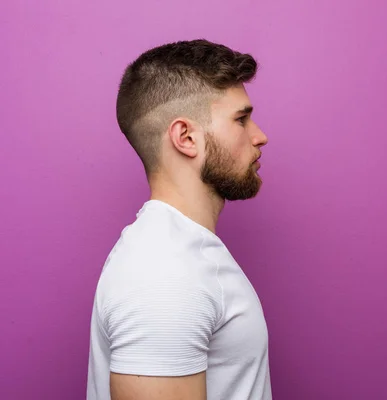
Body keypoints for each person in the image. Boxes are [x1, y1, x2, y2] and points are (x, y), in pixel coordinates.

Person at [86, 39, 271, 400]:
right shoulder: (164, 275)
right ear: (186, 137)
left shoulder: (178, 254)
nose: (259, 136)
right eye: (241, 119)